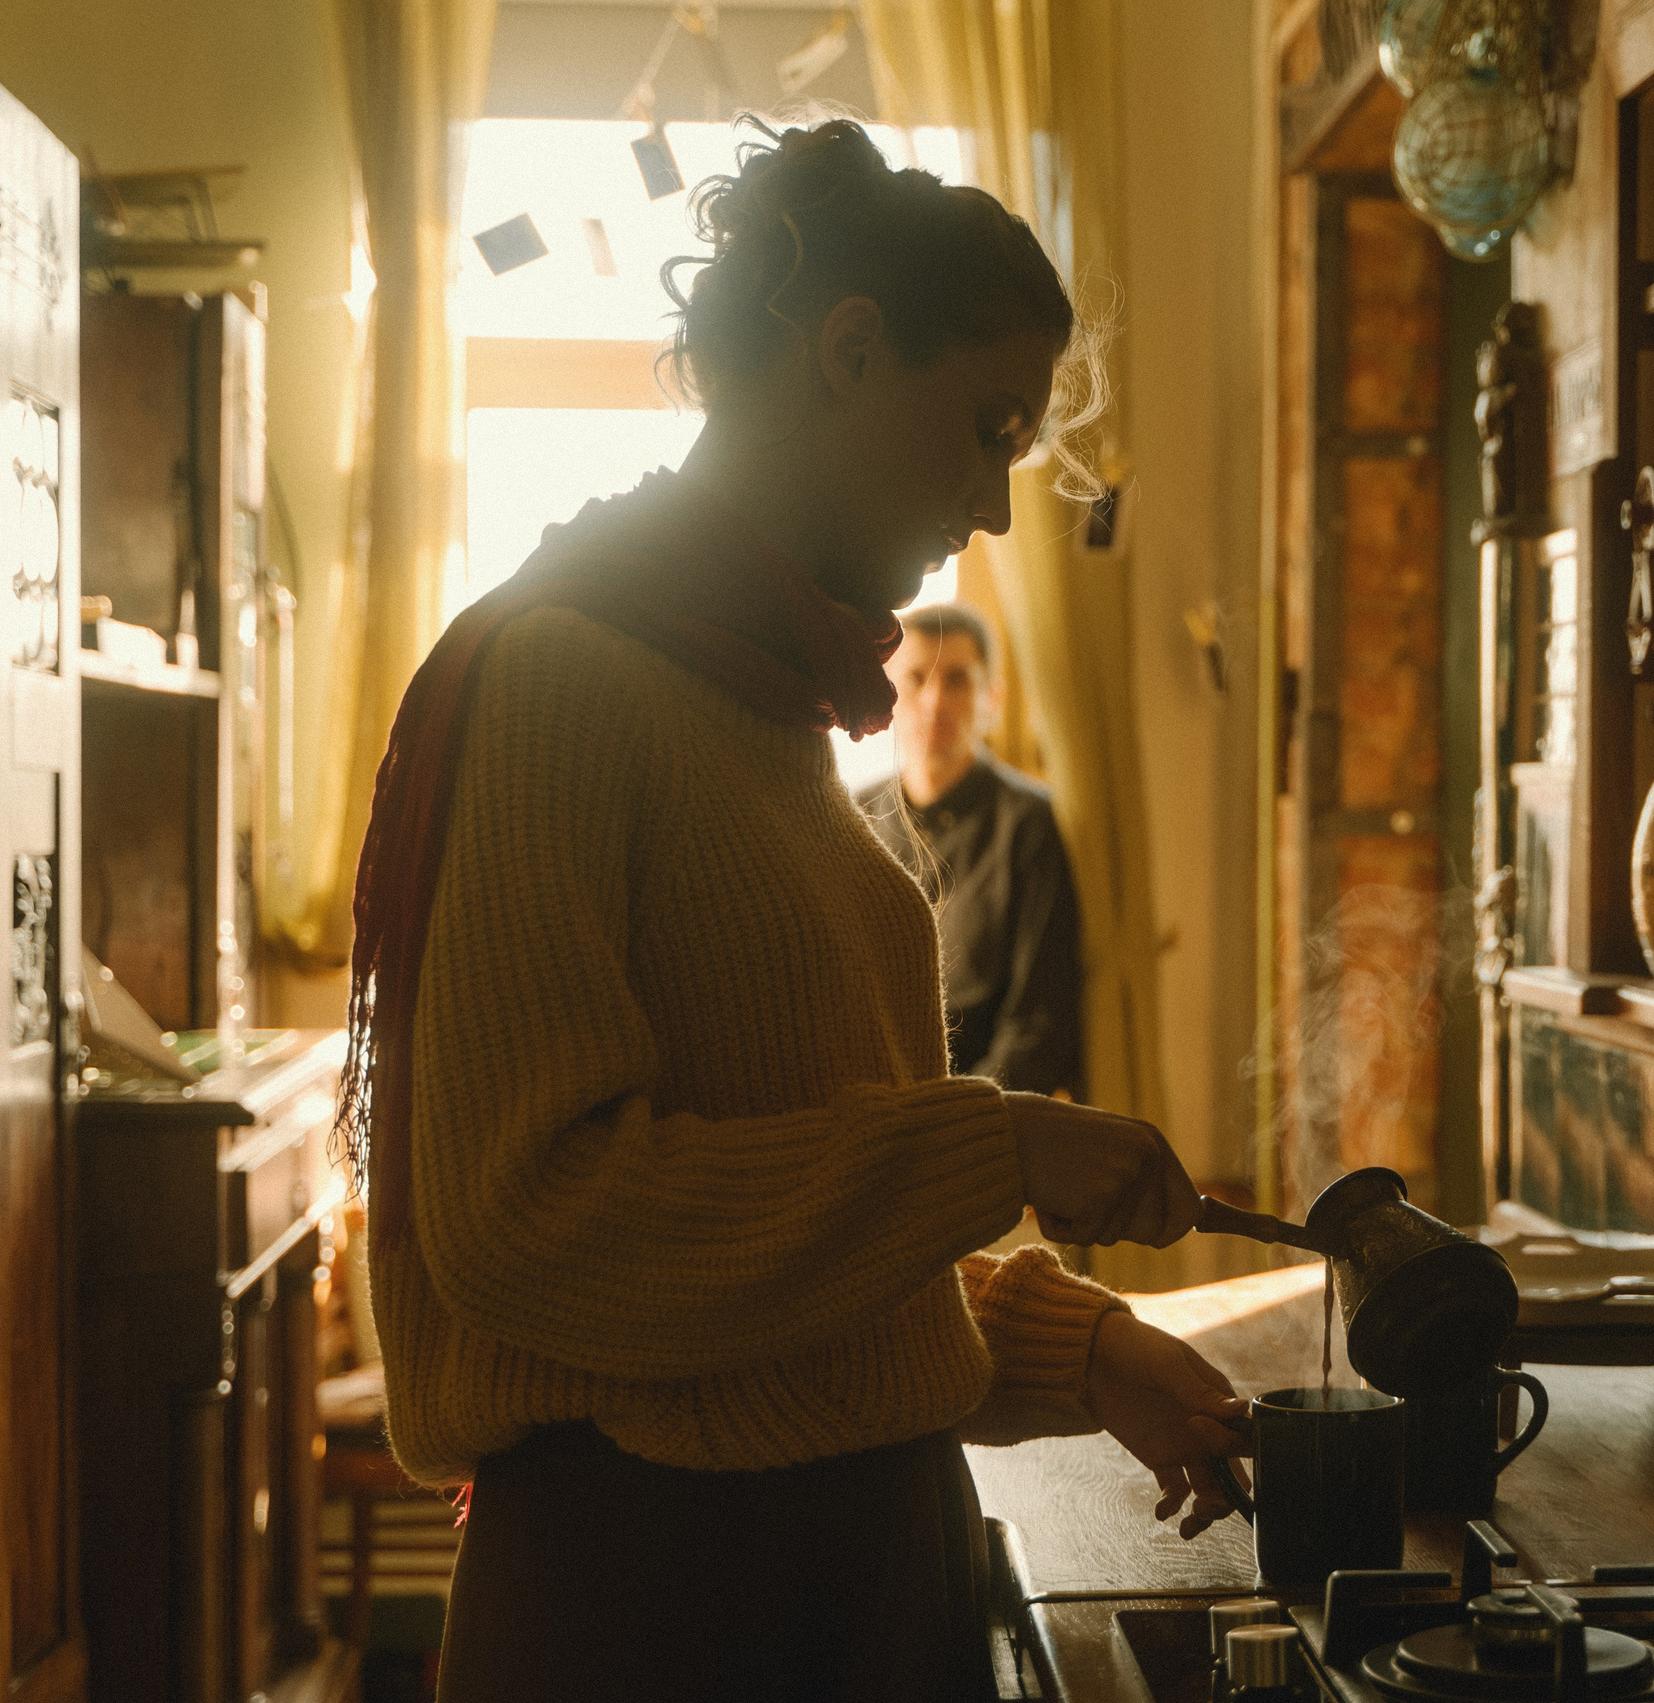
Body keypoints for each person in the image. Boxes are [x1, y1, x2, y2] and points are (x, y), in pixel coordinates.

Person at [335, 121, 1243, 1702]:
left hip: (822, 1574)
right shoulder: (563, 679)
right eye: (984, 425)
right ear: (846, 350)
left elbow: (769, 1263)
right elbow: (537, 1219)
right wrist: (1000, 1145)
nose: (997, 503)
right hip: (662, 1605)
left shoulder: (756, 699)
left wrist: (1084, 1347)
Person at [862, 602, 1084, 1097]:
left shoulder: (1027, 824)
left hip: (985, 1109)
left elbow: (1039, 1022)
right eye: (916, 679)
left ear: (992, 698)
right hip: (866, 1101)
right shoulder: (854, 817)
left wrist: (962, 1123)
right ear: (888, 697)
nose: (934, 702)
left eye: (957, 680)